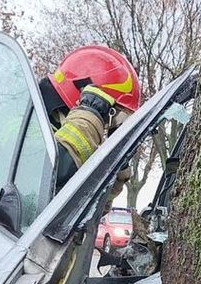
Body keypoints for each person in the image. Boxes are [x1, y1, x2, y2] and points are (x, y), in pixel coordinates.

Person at [37, 45, 141, 190]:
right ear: (86, 96)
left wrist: (118, 163)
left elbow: (97, 206)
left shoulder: (66, 130)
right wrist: (90, 117)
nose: (108, 125)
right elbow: (47, 176)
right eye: (113, 116)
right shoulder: (25, 119)